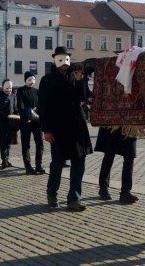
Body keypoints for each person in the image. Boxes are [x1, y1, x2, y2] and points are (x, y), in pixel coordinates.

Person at [39, 46, 92, 212]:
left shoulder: (74, 77)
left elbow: (84, 98)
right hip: (58, 128)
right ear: (55, 61)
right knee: (57, 163)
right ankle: (52, 193)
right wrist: (46, 130)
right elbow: (42, 107)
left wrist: (80, 81)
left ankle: (74, 198)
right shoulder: (47, 80)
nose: (64, 64)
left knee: (79, 162)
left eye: (66, 60)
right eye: (60, 60)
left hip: (77, 128)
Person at [96, 127, 138, 204]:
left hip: (130, 125)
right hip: (113, 124)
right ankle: (103, 188)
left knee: (129, 156)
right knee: (109, 155)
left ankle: (125, 191)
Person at [17, 71, 45, 174]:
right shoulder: (21, 91)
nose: (31, 82)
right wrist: (27, 116)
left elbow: (41, 105)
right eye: (29, 80)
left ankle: (39, 165)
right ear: (25, 80)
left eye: (33, 79)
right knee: (26, 144)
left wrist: (38, 114)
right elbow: (20, 106)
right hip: (26, 121)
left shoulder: (37, 91)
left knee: (40, 143)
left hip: (37, 121)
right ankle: (28, 167)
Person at [0, 78, 18, 169]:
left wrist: (17, 115)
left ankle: (7, 159)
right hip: (2, 121)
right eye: (7, 88)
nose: (9, 90)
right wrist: (6, 96)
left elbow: (15, 107)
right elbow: (0, 106)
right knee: (3, 142)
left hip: (11, 122)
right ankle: (3, 160)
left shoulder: (13, 95)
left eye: (10, 88)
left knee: (9, 142)